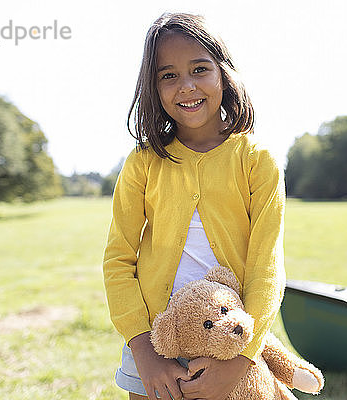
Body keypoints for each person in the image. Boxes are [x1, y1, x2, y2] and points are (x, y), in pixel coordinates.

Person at [103, 12, 286, 400]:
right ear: (153, 87)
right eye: (168, 75)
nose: (186, 86)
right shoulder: (142, 162)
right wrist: (143, 350)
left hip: (231, 342)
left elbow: (266, 268)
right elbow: (118, 258)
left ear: (223, 73)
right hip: (153, 346)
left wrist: (239, 362)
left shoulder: (257, 160)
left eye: (199, 69)